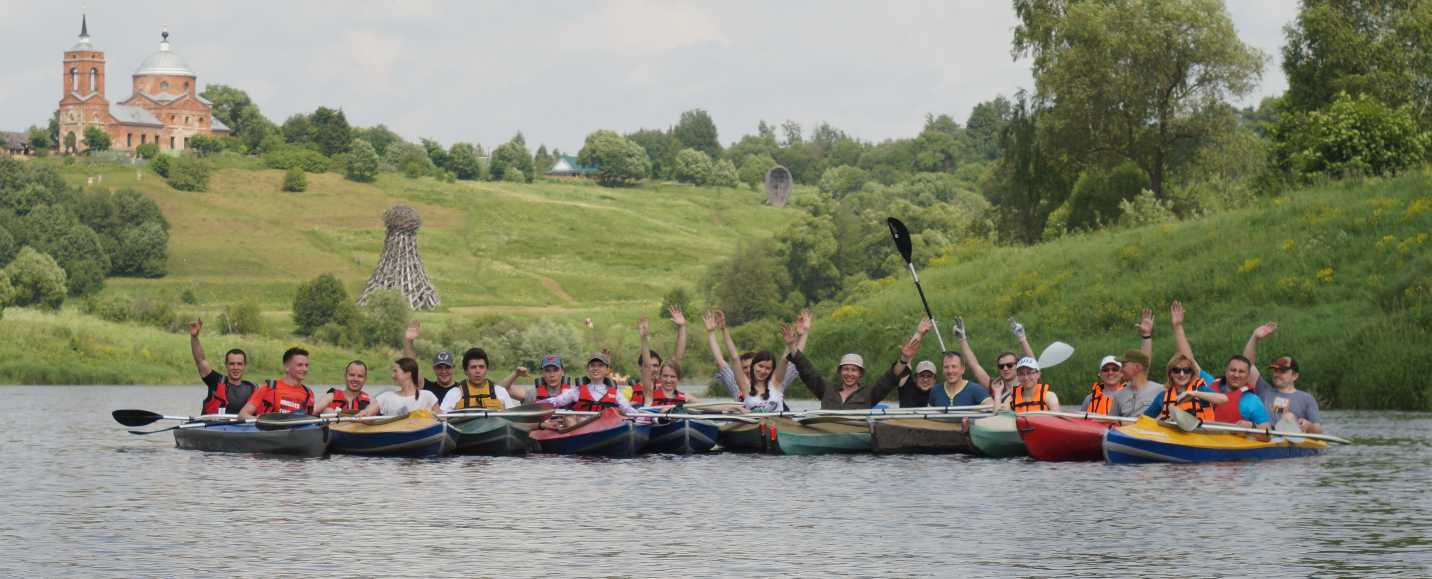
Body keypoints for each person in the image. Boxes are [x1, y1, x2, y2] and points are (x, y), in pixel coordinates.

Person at [781, 315, 914, 410]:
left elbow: (890, 378)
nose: (849, 373)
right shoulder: (826, 390)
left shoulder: (869, 394)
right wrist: (792, 345)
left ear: (860, 373)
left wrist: (904, 359)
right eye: (846, 369)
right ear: (840, 371)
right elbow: (806, 370)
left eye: (854, 370)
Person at [704, 309, 801, 412]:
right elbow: (734, 358)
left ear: (772, 370)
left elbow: (785, 359)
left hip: (777, 424)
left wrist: (791, 344)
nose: (763, 371)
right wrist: (723, 330)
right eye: (760, 367)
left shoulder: (776, 383)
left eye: (767, 368)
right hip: (753, 423)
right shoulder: (745, 385)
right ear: (754, 366)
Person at [1242, 325, 1323, 433]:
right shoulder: (1264, 390)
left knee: (1288, 417)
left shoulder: (1307, 399)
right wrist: (1255, 337)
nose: (1277, 374)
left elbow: (1318, 430)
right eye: (1276, 371)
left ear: (1295, 376)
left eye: (1283, 372)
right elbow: (1248, 364)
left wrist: (1309, 425)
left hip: (1293, 442)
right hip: (1267, 438)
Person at [536, 352, 641, 429]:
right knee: (569, 416)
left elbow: (627, 409)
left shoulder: (614, 393)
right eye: (592, 365)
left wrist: (643, 419)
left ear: (607, 369)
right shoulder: (577, 391)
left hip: (604, 429)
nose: (596, 368)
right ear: (588, 368)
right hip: (580, 431)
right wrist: (536, 405)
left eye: (600, 365)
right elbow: (555, 401)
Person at [1080, 309, 1155, 414]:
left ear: (1121, 371)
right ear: (1100, 373)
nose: (1110, 372)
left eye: (1115, 369)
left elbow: (1144, 363)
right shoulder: (1090, 399)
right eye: (1106, 370)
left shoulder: (1133, 388)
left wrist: (1146, 336)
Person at [188, 318, 257, 415]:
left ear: (245, 366)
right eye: (232, 364)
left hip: (242, 428)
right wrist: (194, 337)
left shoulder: (252, 388)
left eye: (239, 364)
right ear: (226, 365)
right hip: (215, 427)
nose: (236, 367)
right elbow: (200, 360)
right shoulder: (216, 382)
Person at [625, 306, 689, 406]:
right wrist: (644, 338)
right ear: (640, 366)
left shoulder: (667, 385)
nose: (652, 369)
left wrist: (682, 327)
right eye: (650, 366)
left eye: (655, 366)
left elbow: (678, 357)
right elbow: (646, 366)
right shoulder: (632, 391)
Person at [1141, 353, 1228, 422]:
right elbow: (1143, 419)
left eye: (1186, 370)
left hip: (1197, 439)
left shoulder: (1200, 390)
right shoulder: (1162, 396)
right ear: (1170, 373)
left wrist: (1195, 393)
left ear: (1191, 373)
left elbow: (1224, 399)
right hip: (1173, 440)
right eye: (1176, 370)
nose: (1182, 374)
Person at [237, 347, 316, 419]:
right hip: (271, 432)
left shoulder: (308, 393)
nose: (305, 369)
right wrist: (258, 420)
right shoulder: (270, 387)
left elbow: (311, 421)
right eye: (300, 365)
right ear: (287, 367)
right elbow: (242, 414)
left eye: (306, 365)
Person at [357, 358, 442, 417]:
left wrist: (432, 415)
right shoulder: (387, 396)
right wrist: (365, 412)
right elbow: (369, 410)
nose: (392, 375)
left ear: (408, 374)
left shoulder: (427, 396)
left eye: (395, 371)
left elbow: (442, 419)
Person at [441, 348, 519, 412]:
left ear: (486, 369)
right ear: (466, 370)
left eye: (481, 367)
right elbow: (442, 418)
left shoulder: (501, 391)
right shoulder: (454, 393)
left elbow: (513, 419)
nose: (478, 371)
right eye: (473, 367)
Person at [401, 320, 458, 401]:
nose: (444, 371)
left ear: (454, 367)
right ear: (433, 368)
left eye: (447, 367)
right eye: (439, 367)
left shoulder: (461, 389)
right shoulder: (427, 388)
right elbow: (411, 368)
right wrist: (408, 341)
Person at [1107, 349, 1164, 418]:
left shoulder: (1161, 390)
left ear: (1137, 367)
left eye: (1123, 365)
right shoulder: (1118, 394)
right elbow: (1110, 421)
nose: (1120, 369)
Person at [895, 318, 937, 407]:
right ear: (915, 377)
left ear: (935, 379)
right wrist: (919, 333)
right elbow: (907, 361)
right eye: (922, 376)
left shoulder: (940, 395)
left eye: (929, 376)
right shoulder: (907, 388)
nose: (925, 380)